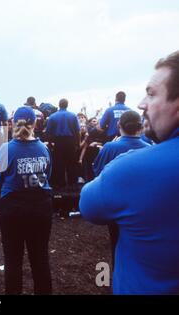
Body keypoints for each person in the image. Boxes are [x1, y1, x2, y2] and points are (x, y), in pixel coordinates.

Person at [80, 50, 179, 295]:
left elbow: (89, 205)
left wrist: (119, 165)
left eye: (152, 93)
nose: (142, 103)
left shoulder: (130, 168)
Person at [0, 106, 53, 295]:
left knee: (12, 260)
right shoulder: (43, 148)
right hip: (41, 206)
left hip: (13, 207)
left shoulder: (6, 149)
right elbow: (47, 174)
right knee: (40, 258)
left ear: (12, 123)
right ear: (35, 124)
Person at [92, 110, 151, 269]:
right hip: (143, 205)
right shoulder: (149, 147)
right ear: (140, 127)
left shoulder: (110, 147)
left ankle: (118, 277)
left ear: (118, 125)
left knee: (116, 243)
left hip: (116, 205)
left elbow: (97, 172)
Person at [45, 99, 80, 189]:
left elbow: (48, 132)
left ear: (59, 105)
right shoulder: (73, 116)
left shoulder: (52, 116)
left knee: (58, 163)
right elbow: (78, 131)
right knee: (71, 163)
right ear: (67, 105)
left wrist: (50, 143)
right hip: (70, 141)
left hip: (58, 141)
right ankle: (72, 183)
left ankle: (60, 184)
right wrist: (78, 143)